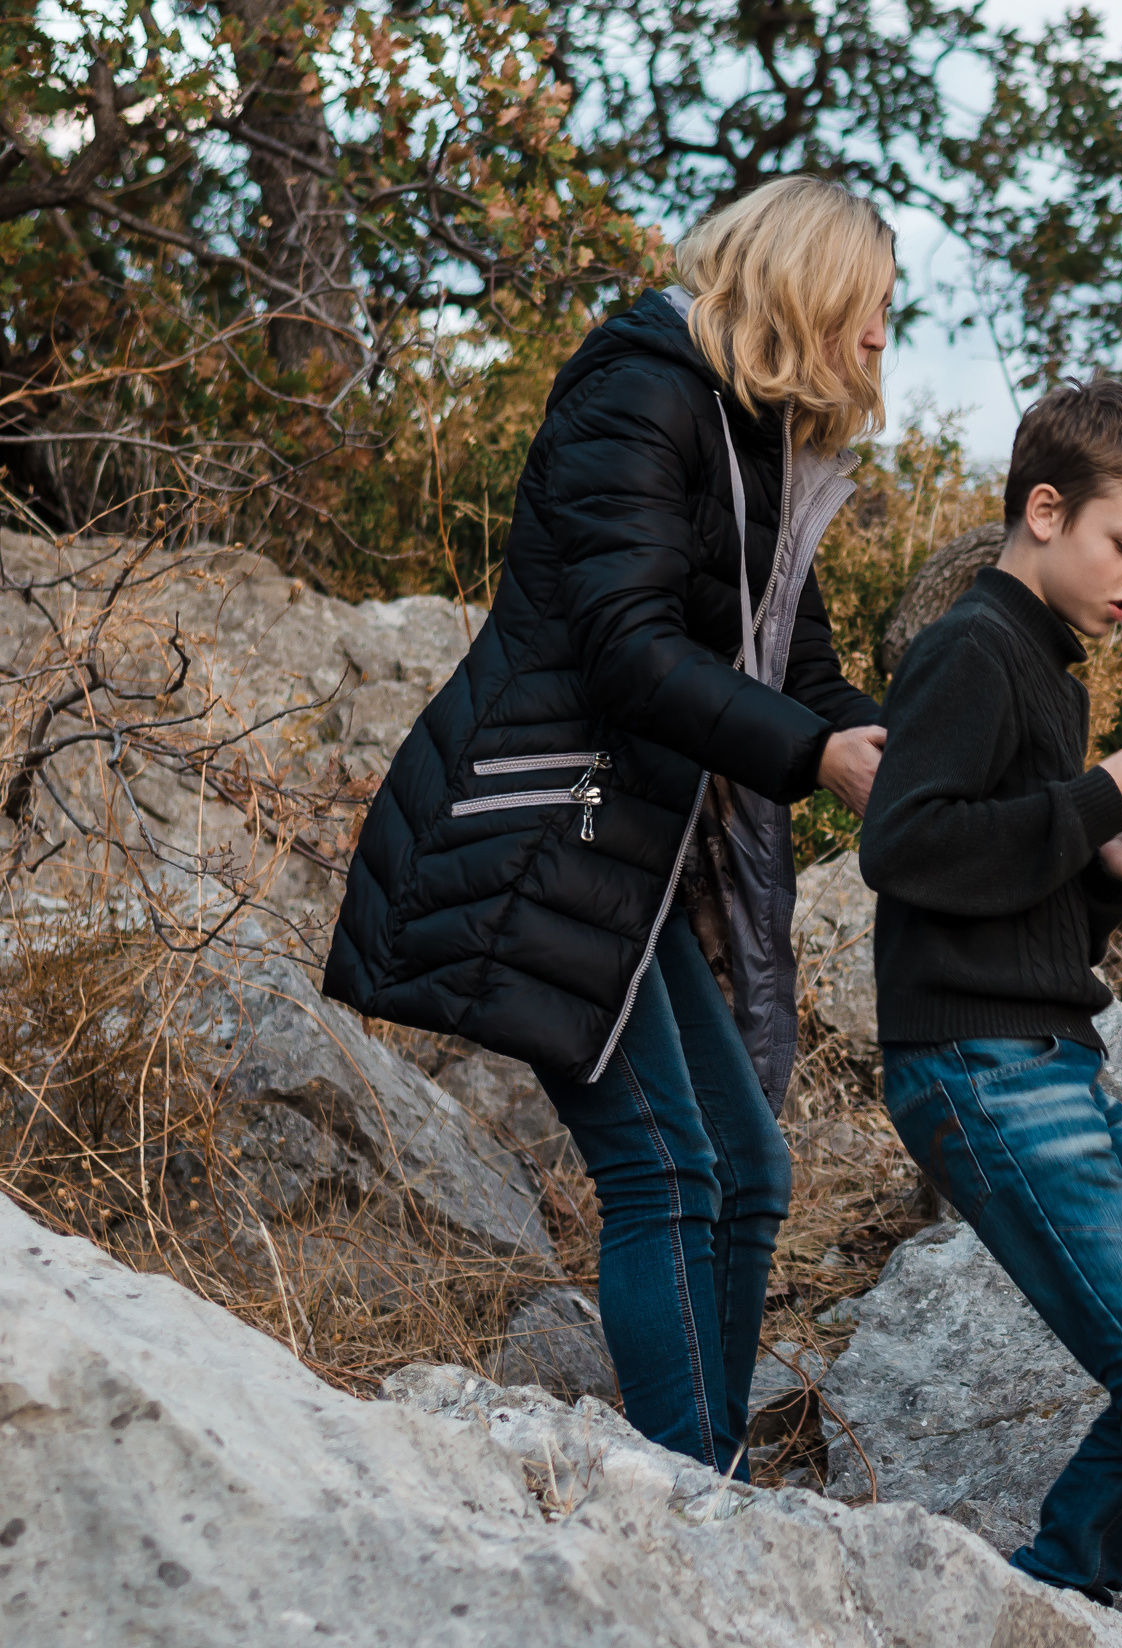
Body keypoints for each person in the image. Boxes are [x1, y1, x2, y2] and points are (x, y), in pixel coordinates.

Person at [325, 176, 894, 1473]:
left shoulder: (769, 452)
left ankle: (710, 1470)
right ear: (808, 287)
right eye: (869, 307)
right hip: (542, 826)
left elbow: (801, 680)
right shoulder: (642, 391)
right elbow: (625, 649)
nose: (876, 341)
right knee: (666, 1168)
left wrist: (934, 767)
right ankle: (693, 1487)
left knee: (747, 1170)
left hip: (632, 855)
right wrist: (813, 756)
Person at [860, 378, 1122, 1648]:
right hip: (977, 1065)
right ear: (1044, 510)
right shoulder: (973, 648)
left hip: (1051, 1053)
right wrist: (1097, 799)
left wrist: (1108, 869)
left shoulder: (1052, 671)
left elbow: (1009, 887)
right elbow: (905, 844)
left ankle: (1055, 1579)